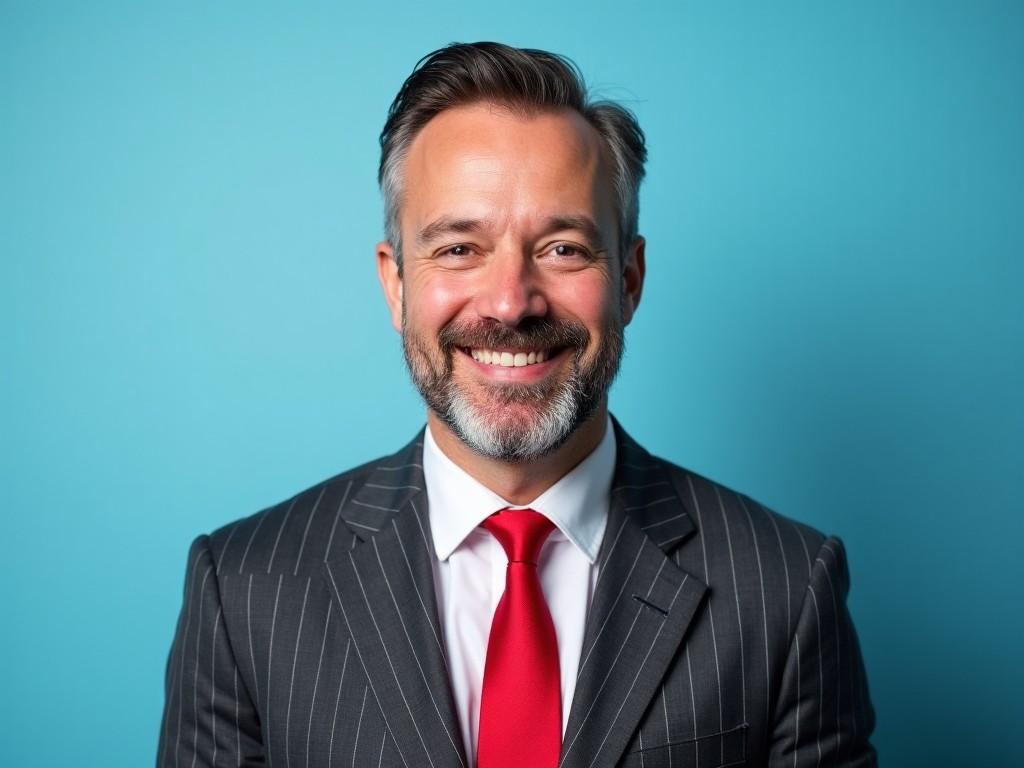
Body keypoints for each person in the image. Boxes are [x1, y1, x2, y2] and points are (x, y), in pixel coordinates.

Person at [158, 42, 876, 768]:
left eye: (563, 249)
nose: (510, 302)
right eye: (459, 249)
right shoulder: (247, 590)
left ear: (629, 278)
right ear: (396, 284)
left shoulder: (784, 587)